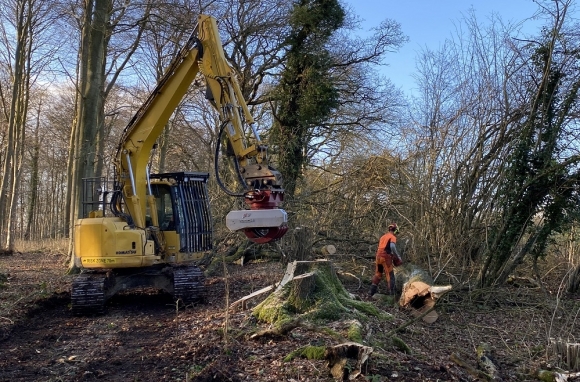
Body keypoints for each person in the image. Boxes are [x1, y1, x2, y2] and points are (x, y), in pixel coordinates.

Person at [369, 223, 402, 296]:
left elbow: (383, 248)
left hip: (378, 256)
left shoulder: (383, 237)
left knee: (378, 273)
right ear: (396, 230)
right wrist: (398, 256)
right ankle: (392, 295)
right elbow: (392, 247)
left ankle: (371, 292)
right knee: (390, 275)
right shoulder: (392, 237)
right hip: (385, 257)